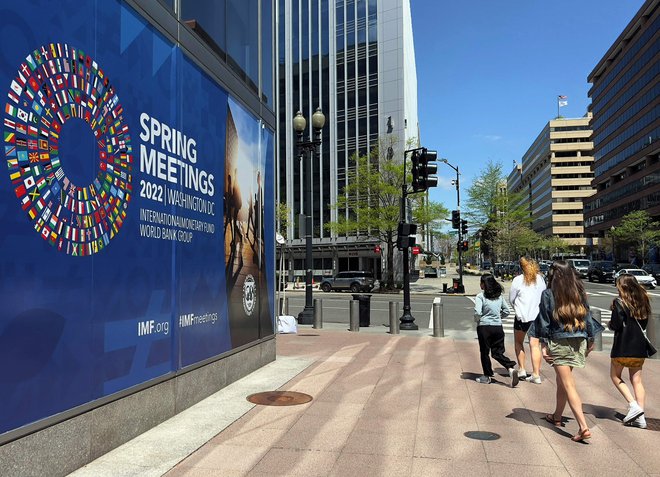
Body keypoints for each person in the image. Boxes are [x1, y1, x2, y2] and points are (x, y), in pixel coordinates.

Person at [530, 261, 604, 442]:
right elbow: (587, 315)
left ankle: (583, 426)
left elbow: (544, 321)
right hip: (579, 339)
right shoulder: (578, 291)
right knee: (562, 381)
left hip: (560, 340)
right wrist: (591, 338)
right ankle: (556, 415)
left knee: (568, 384)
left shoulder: (548, 294)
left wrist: (545, 344)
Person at [609, 273, 652, 429]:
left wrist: (610, 323)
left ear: (622, 287)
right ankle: (641, 417)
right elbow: (645, 325)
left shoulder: (619, 302)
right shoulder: (644, 301)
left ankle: (633, 406)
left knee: (615, 376)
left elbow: (616, 324)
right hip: (640, 347)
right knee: (637, 381)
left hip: (622, 346)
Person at [473, 274, 519, 387]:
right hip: (498, 327)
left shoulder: (480, 296)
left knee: (484, 352)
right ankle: (510, 367)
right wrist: (498, 318)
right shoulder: (499, 296)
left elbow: (478, 313)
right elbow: (507, 311)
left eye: (481, 282)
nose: (480, 284)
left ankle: (487, 376)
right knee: (497, 352)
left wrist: (478, 320)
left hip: (484, 327)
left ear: (484, 284)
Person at [509, 257, 546, 383]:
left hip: (521, 315)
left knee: (518, 342)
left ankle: (522, 369)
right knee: (535, 345)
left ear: (521, 266)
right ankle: (536, 374)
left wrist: (517, 307)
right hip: (536, 316)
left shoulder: (518, 280)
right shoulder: (540, 279)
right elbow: (544, 295)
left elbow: (512, 298)